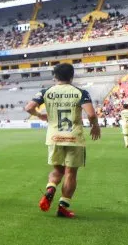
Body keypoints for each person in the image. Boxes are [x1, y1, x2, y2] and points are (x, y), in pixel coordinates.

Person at [25, 63, 101, 219]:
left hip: (54, 137)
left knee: (57, 171)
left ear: (55, 76)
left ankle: (51, 187)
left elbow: (29, 107)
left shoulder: (46, 92)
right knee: (70, 174)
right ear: (72, 76)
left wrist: (40, 115)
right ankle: (62, 207)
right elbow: (91, 115)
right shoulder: (81, 92)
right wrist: (95, 126)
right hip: (74, 138)